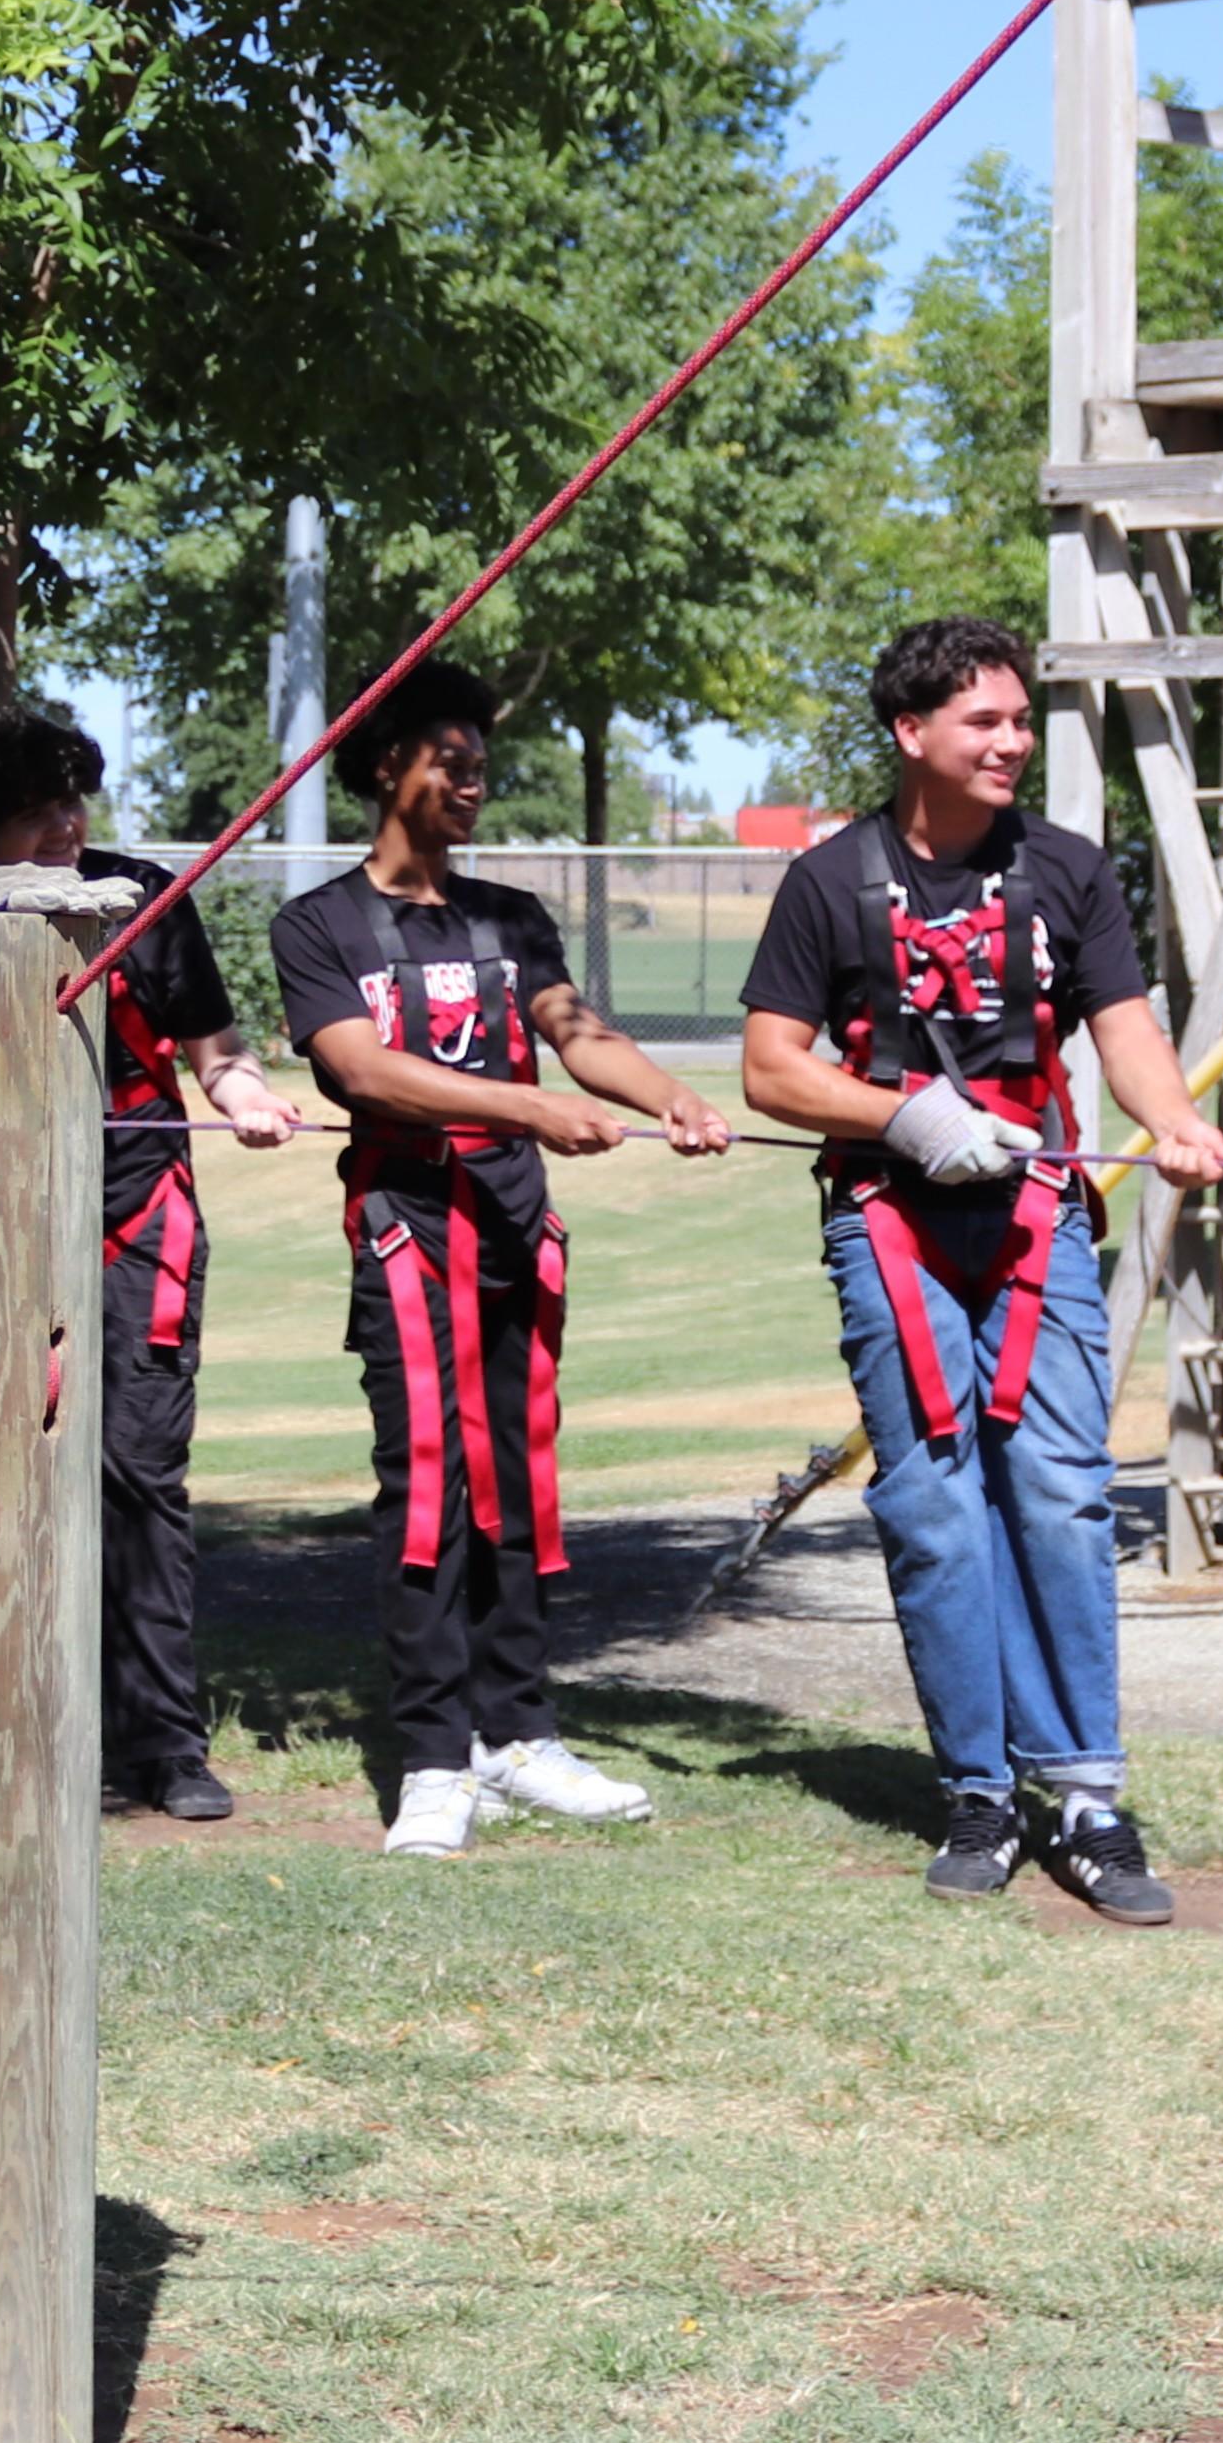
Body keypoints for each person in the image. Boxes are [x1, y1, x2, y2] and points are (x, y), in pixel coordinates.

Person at [735, 616, 1223, 1926]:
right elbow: (770, 1065)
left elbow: (1123, 1027)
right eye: (986, 722)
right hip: (889, 1227)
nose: (1014, 741)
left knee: (1062, 1494)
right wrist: (902, 1116)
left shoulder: (1067, 871)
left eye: (1020, 721)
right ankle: (977, 1790)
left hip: (1035, 1226)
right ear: (913, 734)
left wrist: (1171, 1120)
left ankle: (1082, 1792)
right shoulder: (830, 881)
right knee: (936, 1505)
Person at [266, 666, 729, 1859]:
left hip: (514, 1231)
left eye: (482, 766)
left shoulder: (511, 917)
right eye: (450, 762)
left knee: (518, 1480)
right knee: (429, 1489)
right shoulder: (316, 924)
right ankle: (433, 1757)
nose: (472, 784)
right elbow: (363, 1072)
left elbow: (580, 1038)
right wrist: (527, 1110)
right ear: (387, 768)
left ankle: (518, 1734)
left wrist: (672, 1095)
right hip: (410, 1234)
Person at [0, 711, 299, 1820]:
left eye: (75, 801)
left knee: (138, 1478)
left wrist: (248, 1098)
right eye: (39, 810)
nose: (66, 825)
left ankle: (164, 1745)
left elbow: (215, 1052)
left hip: (140, 1224)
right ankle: (1, 1727)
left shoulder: (145, 899)